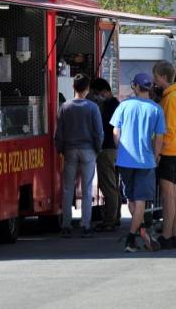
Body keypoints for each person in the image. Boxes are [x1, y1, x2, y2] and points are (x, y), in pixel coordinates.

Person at [111, 73, 166, 252]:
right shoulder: (156, 109)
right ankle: (133, 236)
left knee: (130, 198)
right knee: (141, 199)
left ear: (135, 86)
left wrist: (120, 149)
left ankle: (136, 232)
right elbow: (159, 138)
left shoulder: (124, 105)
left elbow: (115, 132)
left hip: (125, 159)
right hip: (146, 160)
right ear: (149, 88)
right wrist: (156, 155)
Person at [55, 74, 103, 238]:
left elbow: (59, 132)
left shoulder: (65, 107)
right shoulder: (92, 107)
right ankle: (85, 225)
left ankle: (66, 225)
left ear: (73, 87)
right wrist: (97, 149)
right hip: (88, 150)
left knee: (68, 188)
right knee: (87, 188)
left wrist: (60, 149)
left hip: (69, 150)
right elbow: (98, 132)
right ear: (87, 89)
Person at [152, 62, 176, 249]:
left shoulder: (171, 98)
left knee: (168, 195)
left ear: (163, 77)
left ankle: (167, 235)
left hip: (169, 150)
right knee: (171, 194)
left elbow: (168, 129)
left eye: (156, 77)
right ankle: (171, 234)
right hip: (174, 149)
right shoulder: (174, 95)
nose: (154, 80)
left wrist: (157, 151)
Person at [90, 78, 121, 232]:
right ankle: (115, 217)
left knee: (108, 185)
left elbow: (104, 127)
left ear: (104, 91)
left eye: (96, 93)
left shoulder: (109, 105)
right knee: (113, 184)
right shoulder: (115, 104)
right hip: (113, 149)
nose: (96, 96)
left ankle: (109, 220)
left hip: (107, 149)